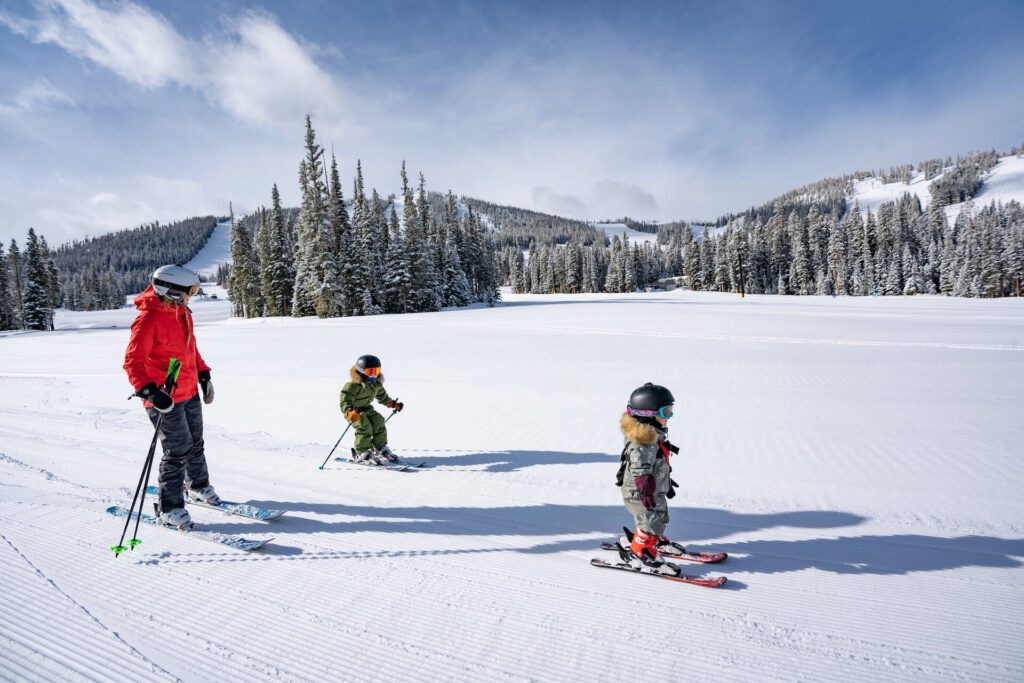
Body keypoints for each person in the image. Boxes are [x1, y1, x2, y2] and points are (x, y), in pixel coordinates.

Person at [123, 264, 218, 529]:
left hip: (188, 390)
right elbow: (133, 362)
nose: (193, 295)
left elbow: (191, 349)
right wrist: (150, 392)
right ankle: (169, 508)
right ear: (172, 291)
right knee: (177, 450)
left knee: (196, 443)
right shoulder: (147, 319)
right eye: (190, 290)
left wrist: (203, 374)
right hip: (164, 397)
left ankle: (198, 486)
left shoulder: (183, 313)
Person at [616, 382, 683, 574]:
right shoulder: (642, 440)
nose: (669, 417)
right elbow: (639, 467)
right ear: (648, 414)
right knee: (650, 517)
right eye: (666, 412)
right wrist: (645, 488)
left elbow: (656, 462)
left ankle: (650, 538)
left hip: (652, 488)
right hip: (641, 490)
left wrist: (665, 482)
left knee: (655, 516)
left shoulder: (652, 434)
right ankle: (641, 550)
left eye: (671, 410)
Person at [340, 355, 404, 463]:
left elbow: (382, 397)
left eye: (377, 371)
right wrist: (349, 411)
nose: (374, 374)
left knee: (379, 421)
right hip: (354, 412)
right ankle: (362, 452)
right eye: (370, 372)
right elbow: (345, 401)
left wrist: (393, 404)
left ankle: (380, 448)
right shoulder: (352, 385)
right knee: (364, 426)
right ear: (361, 371)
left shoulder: (376, 384)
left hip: (367, 409)